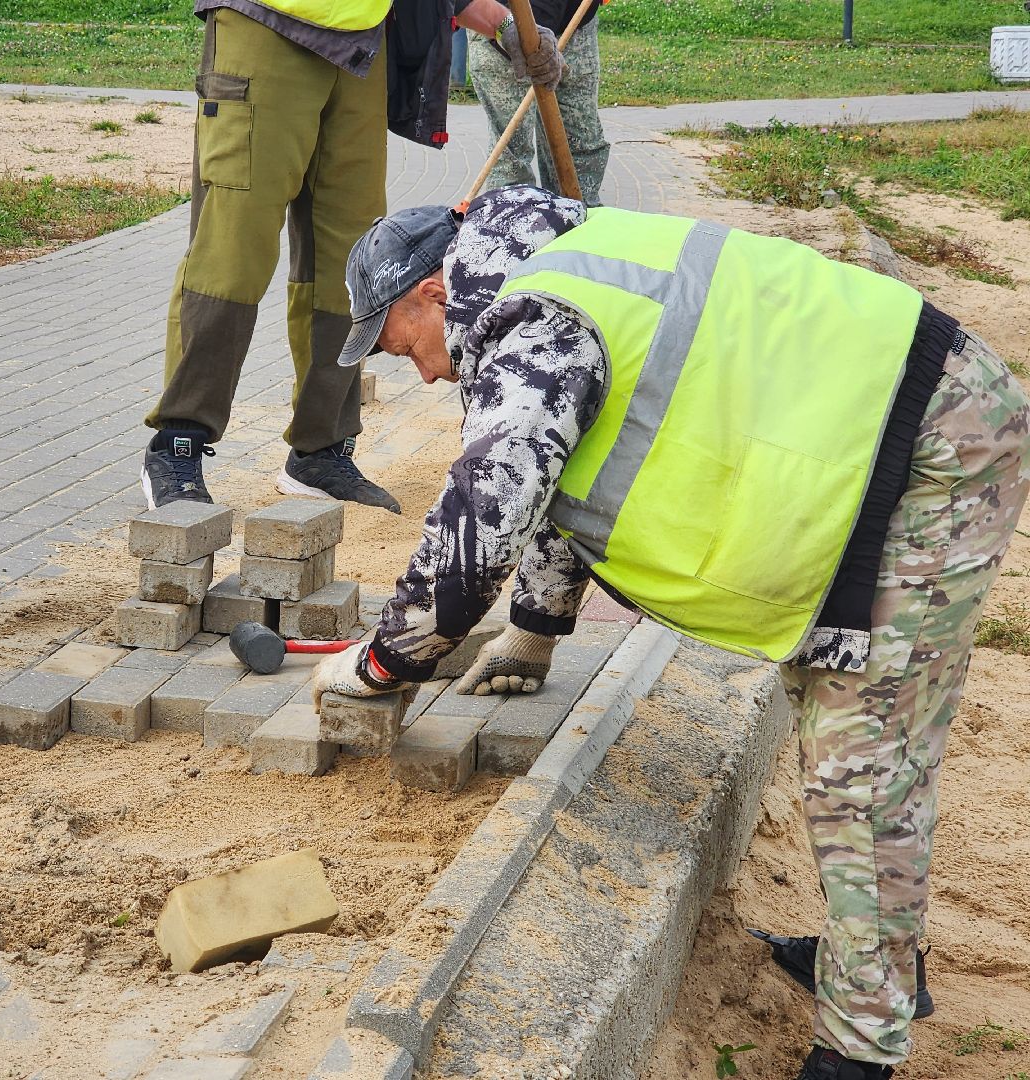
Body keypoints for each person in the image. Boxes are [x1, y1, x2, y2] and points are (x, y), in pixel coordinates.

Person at [310, 185, 1030, 1080]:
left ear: (430, 292)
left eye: (401, 345)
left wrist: (383, 663)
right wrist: (535, 628)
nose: (421, 374)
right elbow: (571, 463)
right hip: (875, 436)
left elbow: (483, 521)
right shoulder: (545, 271)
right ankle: (871, 960)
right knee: (837, 719)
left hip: (933, 443)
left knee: (863, 763)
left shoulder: (533, 322)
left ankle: (859, 1047)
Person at [140, 0, 567, 513]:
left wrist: (502, 25)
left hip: (363, 39)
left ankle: (321, 449)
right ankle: (179, 441)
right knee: (234, 251)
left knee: (352, 260)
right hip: (267, 22)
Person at [468, 0, 609, 204]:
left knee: (582, 147)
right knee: (511, 163)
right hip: (505, 25)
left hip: (576, 22)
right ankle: (513, 218)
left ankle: (579, 215)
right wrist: (503, 25)